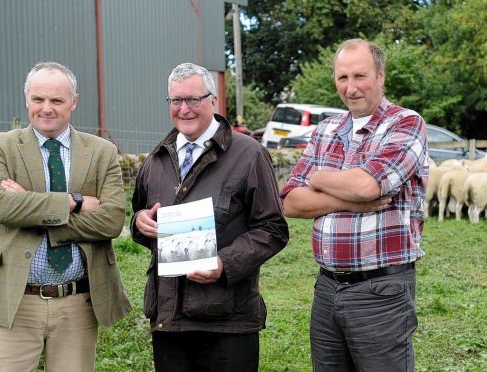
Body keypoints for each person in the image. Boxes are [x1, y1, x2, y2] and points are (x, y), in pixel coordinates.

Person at [131, 62, 289, 371]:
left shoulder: (249, 154)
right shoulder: (156, 159)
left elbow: (273, 228)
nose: (184, 109)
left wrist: (225, 264)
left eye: (194, 99)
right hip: (168, 319)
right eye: (176, 100)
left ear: (213, 101)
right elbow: (139, 218)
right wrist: (140, 222)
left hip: (228, 321)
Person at [281, 39, 428, 371]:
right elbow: (290, 201)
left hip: (381, 290)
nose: (351, 88)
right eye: (342, 78)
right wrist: (348, 199)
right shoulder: (326, 128)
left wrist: (317, 179)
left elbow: (368, 184)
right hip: (327, 286)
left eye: (360, 76)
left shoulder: (405, 123)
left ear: (380, 76)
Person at [0, 61, 131, 371]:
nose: (46, 108)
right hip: (13, 299)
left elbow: (111, 221)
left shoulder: (101, 151)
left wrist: (29, 205)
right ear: (26, 99)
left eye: (57, 100)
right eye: (38, 99)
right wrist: (74, 201)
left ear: (74, 101)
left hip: (77, 303)